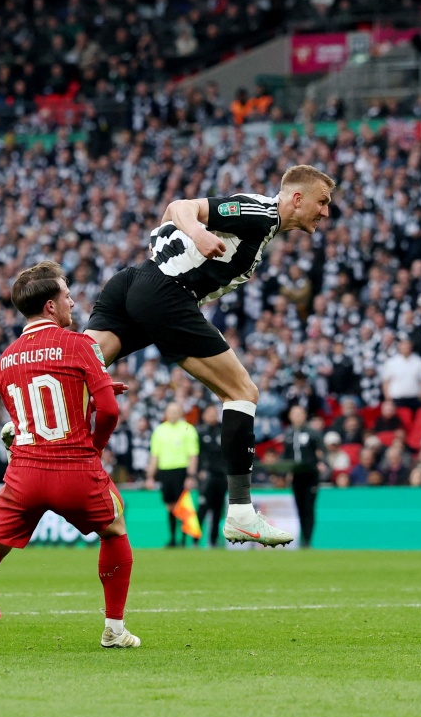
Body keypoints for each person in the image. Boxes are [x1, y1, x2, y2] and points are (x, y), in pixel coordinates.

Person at [84, 164, 336, 547]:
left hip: (135, 281)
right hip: (167, 292)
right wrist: (200, 233)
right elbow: (180, 205)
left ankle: (24, 430)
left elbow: (173, 217)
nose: (326, 212)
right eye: (322, 202)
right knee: (243, 392)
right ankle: (240, 512)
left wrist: (195, 235)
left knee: (80, 366)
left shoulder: (263, 227)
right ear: (297, 198)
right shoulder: (260, 213)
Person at [0, 261, 138, 650]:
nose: (73, 301)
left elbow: (34, 416)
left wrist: (83, 400)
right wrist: (94, 447)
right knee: (115, 529)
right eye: (67, 295)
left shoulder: (5, 360)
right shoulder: (81, 344)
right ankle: (114, 629)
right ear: (51, 306)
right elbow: (109, 412)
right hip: (74, 467)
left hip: (25, 472)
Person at [146, 402, 200, 548]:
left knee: (182, 505)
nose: (173, 414)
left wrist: (191, 475)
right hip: (165, 472)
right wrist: (150, 476)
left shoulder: (188, 429)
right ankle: (172, 538)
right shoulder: (159, 430)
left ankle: (183, 539)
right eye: (170, 411)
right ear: (166, 413)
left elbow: (193, 455)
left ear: (181, 413)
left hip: (181, 471)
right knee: (170, 506)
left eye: (176, 411)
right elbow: (154, 456)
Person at [282, 404, 323, 548]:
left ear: (305, 415)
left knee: (309, 508)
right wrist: (285, 471)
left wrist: (321, 463)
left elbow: (321, 452)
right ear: (290, 417)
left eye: (300, 414)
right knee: (299, 508)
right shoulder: (288, 434)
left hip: (310, 475)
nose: (297, 417)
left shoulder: (313, 433)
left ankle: (308, 539)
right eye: (295, 414)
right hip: (296, 476)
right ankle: (303, 538)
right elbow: (286, 456)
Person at [196, 404, 228, 548]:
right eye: (209, 414)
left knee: (217, 509)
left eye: (214, 414)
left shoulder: (223, 431)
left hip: (221, 476)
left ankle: (213, 541)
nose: (212, 417)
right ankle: (196, 539)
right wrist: (199, 470)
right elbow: (196, 454)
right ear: (204, 416)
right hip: (206, 476)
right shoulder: (200, 432)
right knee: (202, 508)